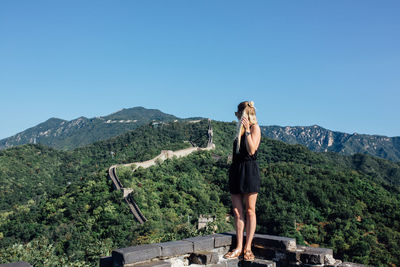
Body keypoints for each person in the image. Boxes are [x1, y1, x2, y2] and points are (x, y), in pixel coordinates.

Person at [223, 101, 261, 261]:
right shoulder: (237, 131)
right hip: (236, 170)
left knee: (250, 210)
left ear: (243, 114)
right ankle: (238, 246)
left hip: (249, 171)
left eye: (238, 114)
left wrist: (246, 131)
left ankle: (248, 248)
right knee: (237, 212)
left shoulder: (255, 128)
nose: (237, 117)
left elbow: (252, 150)